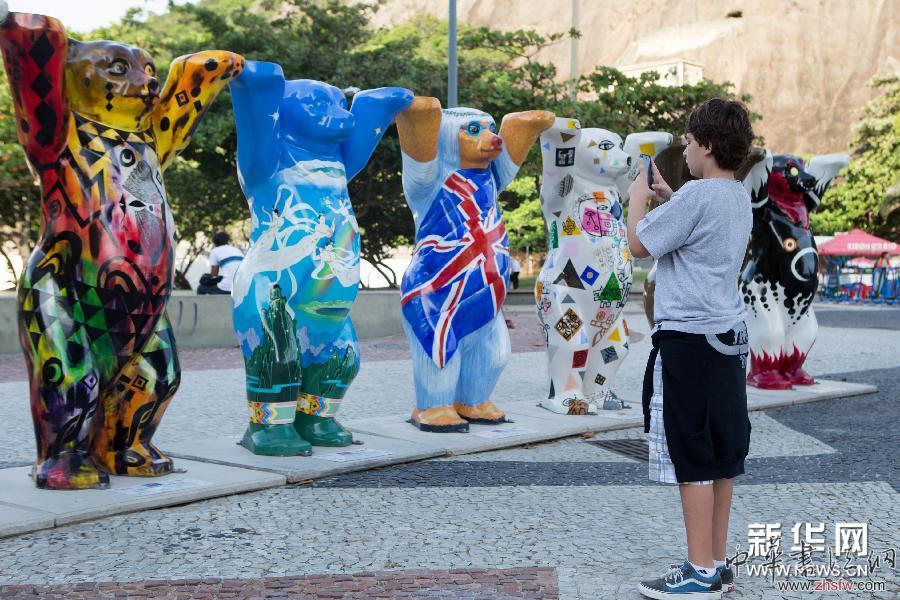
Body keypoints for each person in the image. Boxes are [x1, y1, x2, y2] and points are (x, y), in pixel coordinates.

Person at [627, 98, 754, 598]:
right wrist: (671, 197)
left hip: (689, 342)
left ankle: (698, 571)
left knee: (692, 455)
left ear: (705, 144)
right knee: (722, 454)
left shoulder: (695, 198)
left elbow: (639, 244)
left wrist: (639, 195)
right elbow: (697, 226)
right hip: (727, 340)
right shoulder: (735, 196)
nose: (684, 147)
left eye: (688, 140)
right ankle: (718, 562)